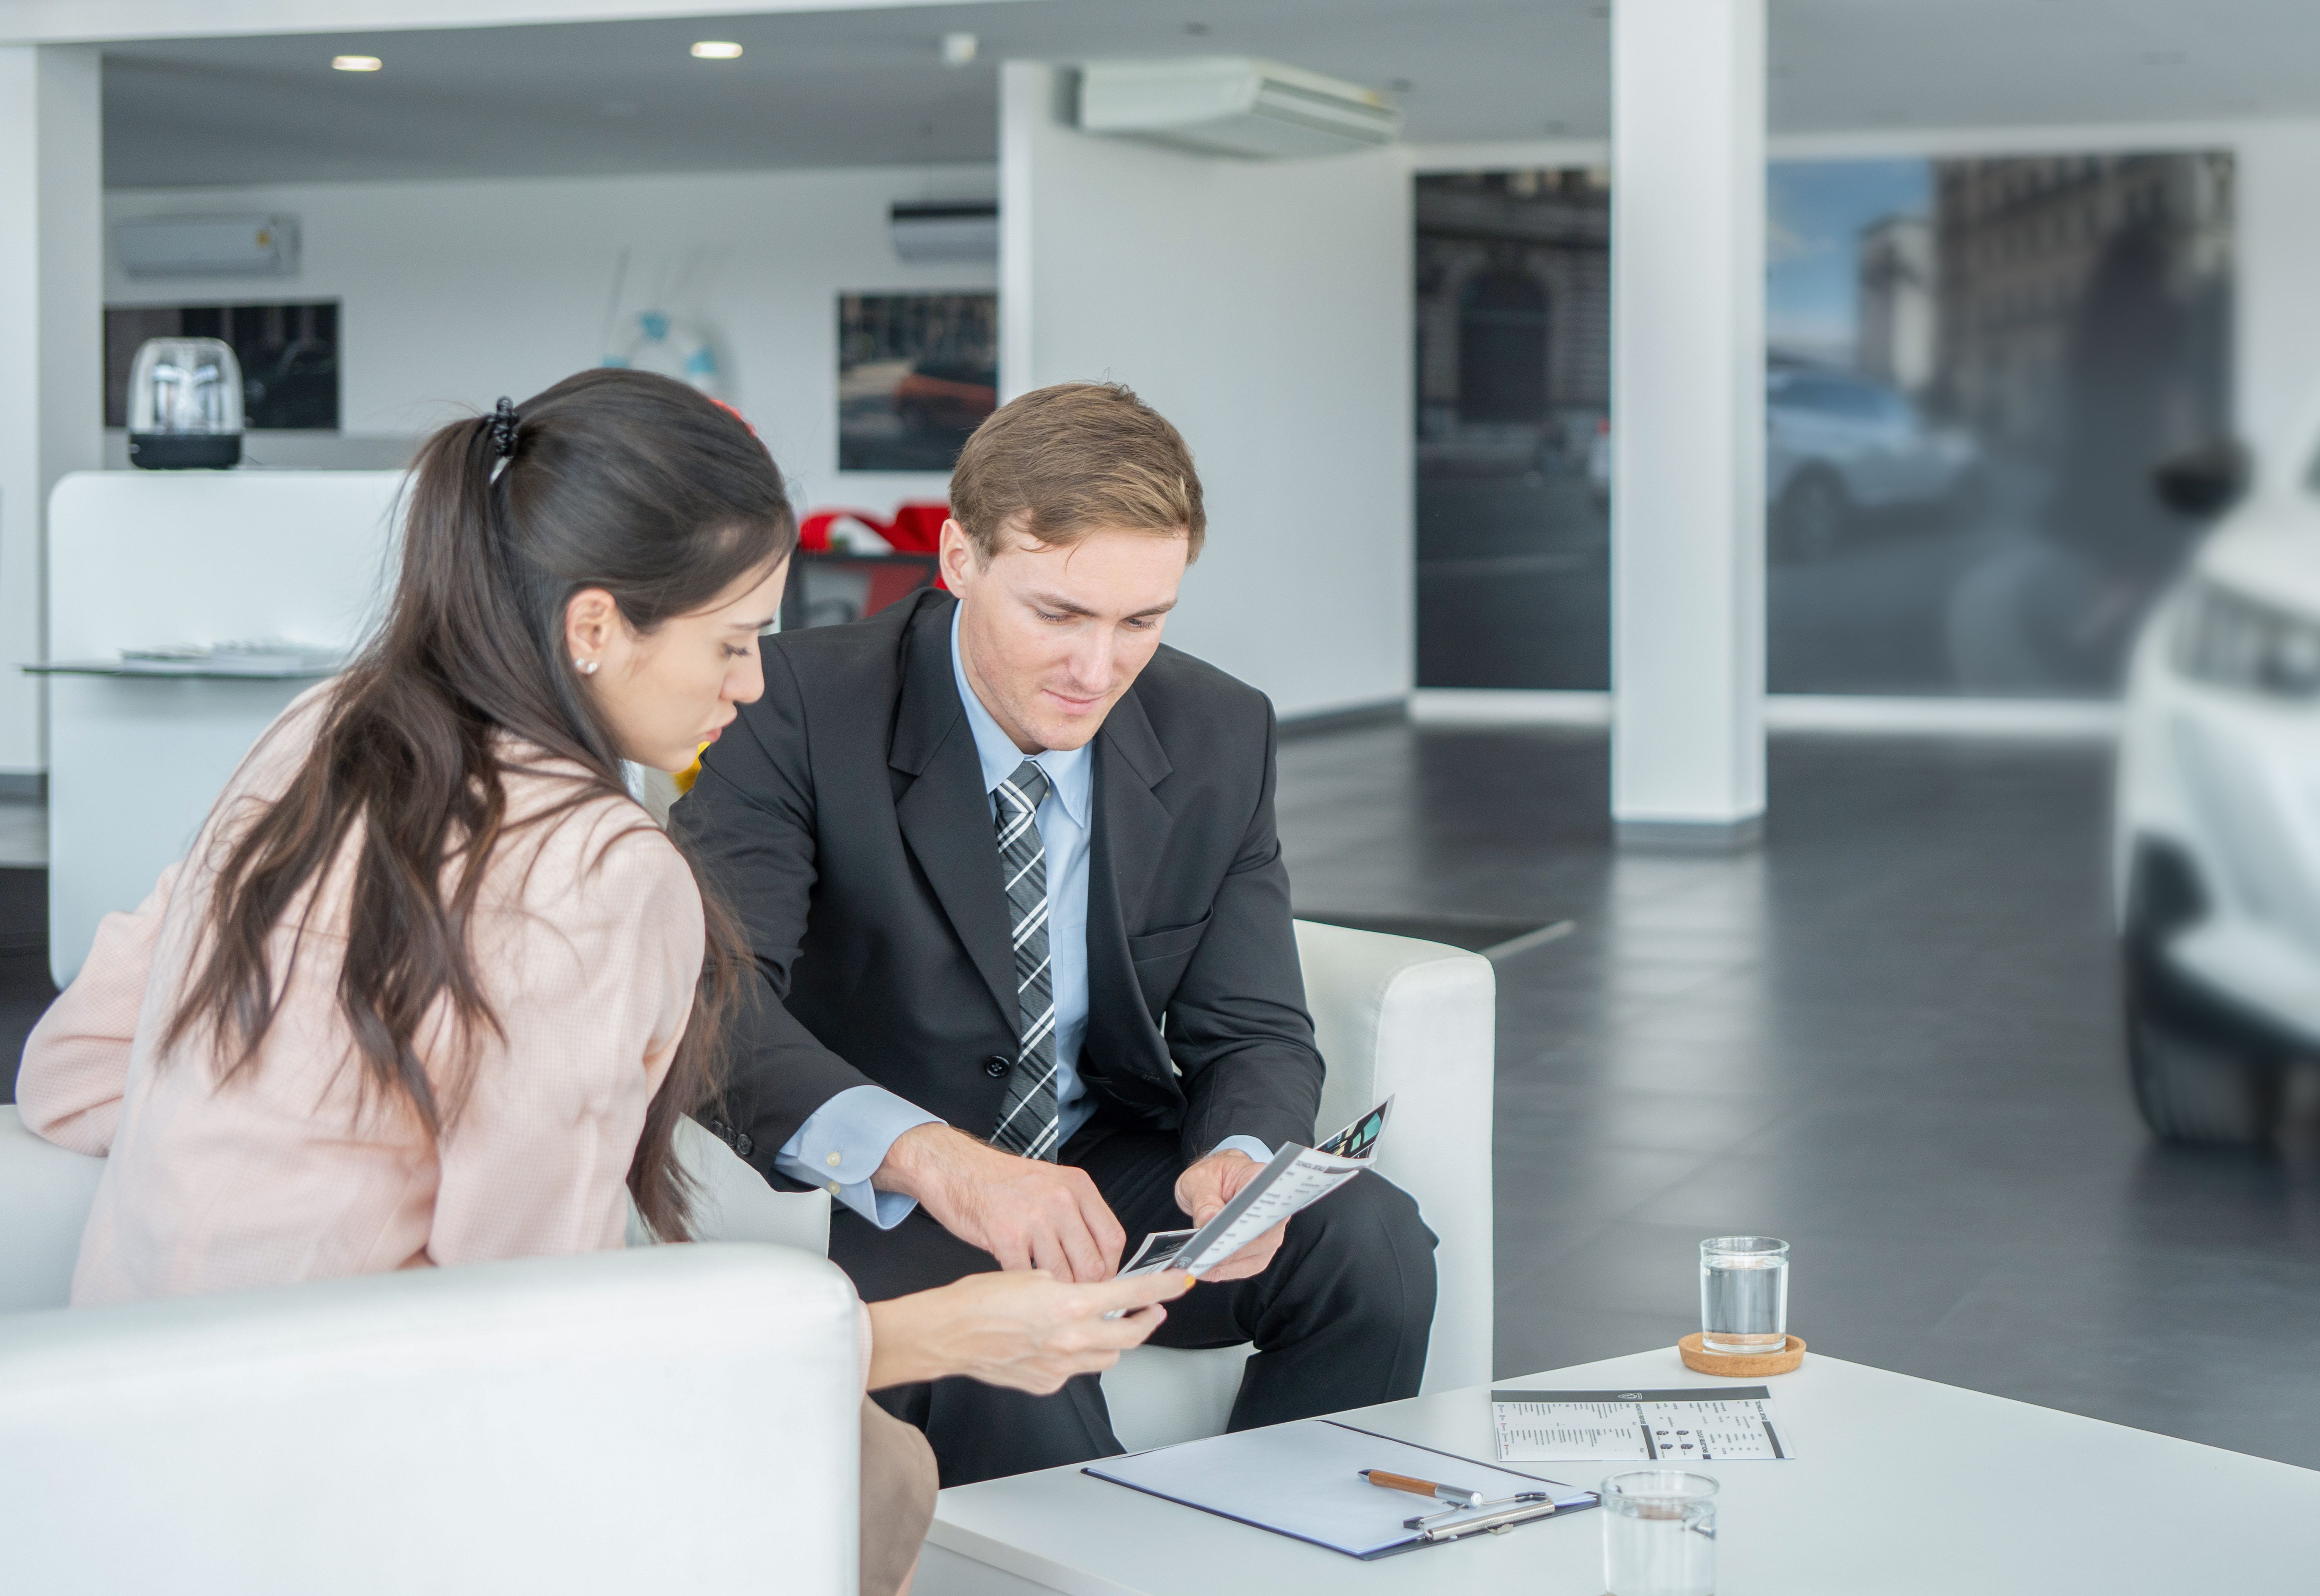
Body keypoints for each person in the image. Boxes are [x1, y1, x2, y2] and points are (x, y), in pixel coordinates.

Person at [14, 369, 1192, 1595]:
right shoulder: (604, 866)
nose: (749, 686)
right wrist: (940, 1334)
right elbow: (538, 1339)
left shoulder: (319, 733)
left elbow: (69, 1077)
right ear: (593, 628)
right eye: (732, 643)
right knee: (880, 1468)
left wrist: (271, 1153)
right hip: (360, 1471)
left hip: (128, 1433)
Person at [674, 381, 1439, 1486]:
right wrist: (946, 1167)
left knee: (1374, 1248)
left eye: (1142, 622)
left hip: (1103, 1165)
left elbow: (1256, 1026)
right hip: (895, 1185)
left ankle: (1279, 1558)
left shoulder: (1220, 730)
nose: (1099, 672)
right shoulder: (793, 705)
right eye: (1059, 615)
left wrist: (1239, 1158)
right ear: (958, 560)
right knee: (1012, 1371)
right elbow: (712, 1000)